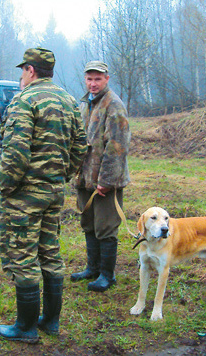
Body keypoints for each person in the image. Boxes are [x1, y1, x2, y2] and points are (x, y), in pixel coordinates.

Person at [0, 47, 88, 343]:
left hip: (25, 195)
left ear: (31, 70)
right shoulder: (69, 101)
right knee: (50, 253)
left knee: (23, 257)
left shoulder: (24, 101)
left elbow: (16, 152)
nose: (22, 76)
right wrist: (62, 176)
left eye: (23, 69)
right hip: (53, 192)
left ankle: (25, 328)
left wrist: (6, 186)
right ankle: (50, 321)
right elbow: (80, 146)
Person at [70, 60, 131, 292]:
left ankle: (107, 275)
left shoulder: (113, 105)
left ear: (106, 79)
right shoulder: (86, 103)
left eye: (97, 79)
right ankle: (92, 269)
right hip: (85, 178)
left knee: (106, 227)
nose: (93, 83)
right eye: (89, 79)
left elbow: (117, 146)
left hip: (105, 181)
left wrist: (106, 181)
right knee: (88, 223)